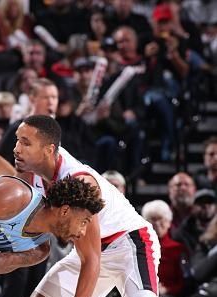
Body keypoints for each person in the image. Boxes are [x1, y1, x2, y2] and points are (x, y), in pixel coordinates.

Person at [13, 115, 160, 297]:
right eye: (17, 140)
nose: (16, 149)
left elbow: (91, 259)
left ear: (48, 150)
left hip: (129, 244)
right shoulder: (31, 168)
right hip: (88, 249)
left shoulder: (79, 183)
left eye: (25, 143)